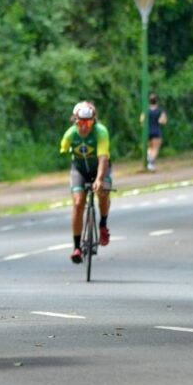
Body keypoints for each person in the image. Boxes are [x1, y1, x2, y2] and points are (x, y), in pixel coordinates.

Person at [60, 101, 112, 264]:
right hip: (79, 169)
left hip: (99, 168)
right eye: (80, 122)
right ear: (75, 121)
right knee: (78, 202)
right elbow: (63, 148)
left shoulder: (100, 132)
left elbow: (103, 158)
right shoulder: (70, 134)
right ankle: (77, 247)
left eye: (88, 122)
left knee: (102, 192)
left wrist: (99, 179)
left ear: (94, 121)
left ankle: (103, 225)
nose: (84, 127)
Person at [141, 92, 168, 171]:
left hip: (148, 131)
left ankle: (149, 160)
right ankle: (150, 163)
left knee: (149, 148)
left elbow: (142, 120)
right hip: (156, 131)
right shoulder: (160, 110)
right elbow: (163, 121)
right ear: (157, 101)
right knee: (155, 148)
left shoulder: (146, 110)